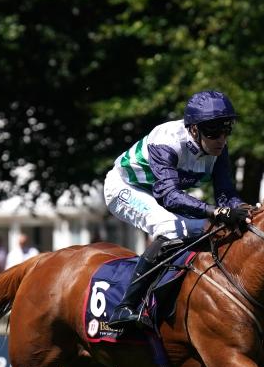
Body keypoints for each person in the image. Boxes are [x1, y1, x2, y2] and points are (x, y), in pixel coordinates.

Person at [103, 89, 251, 332]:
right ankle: (126, 306)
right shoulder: (167, 141)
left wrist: (242, 210)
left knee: (211, 228)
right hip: (125, 188)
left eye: (226, 131)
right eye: (213, 132)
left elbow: (225, 192)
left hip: (160, 194)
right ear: (193, 129)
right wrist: (216, 212)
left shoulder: (219, 148)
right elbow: (169, 196)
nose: (221, 139)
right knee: (169, 228)